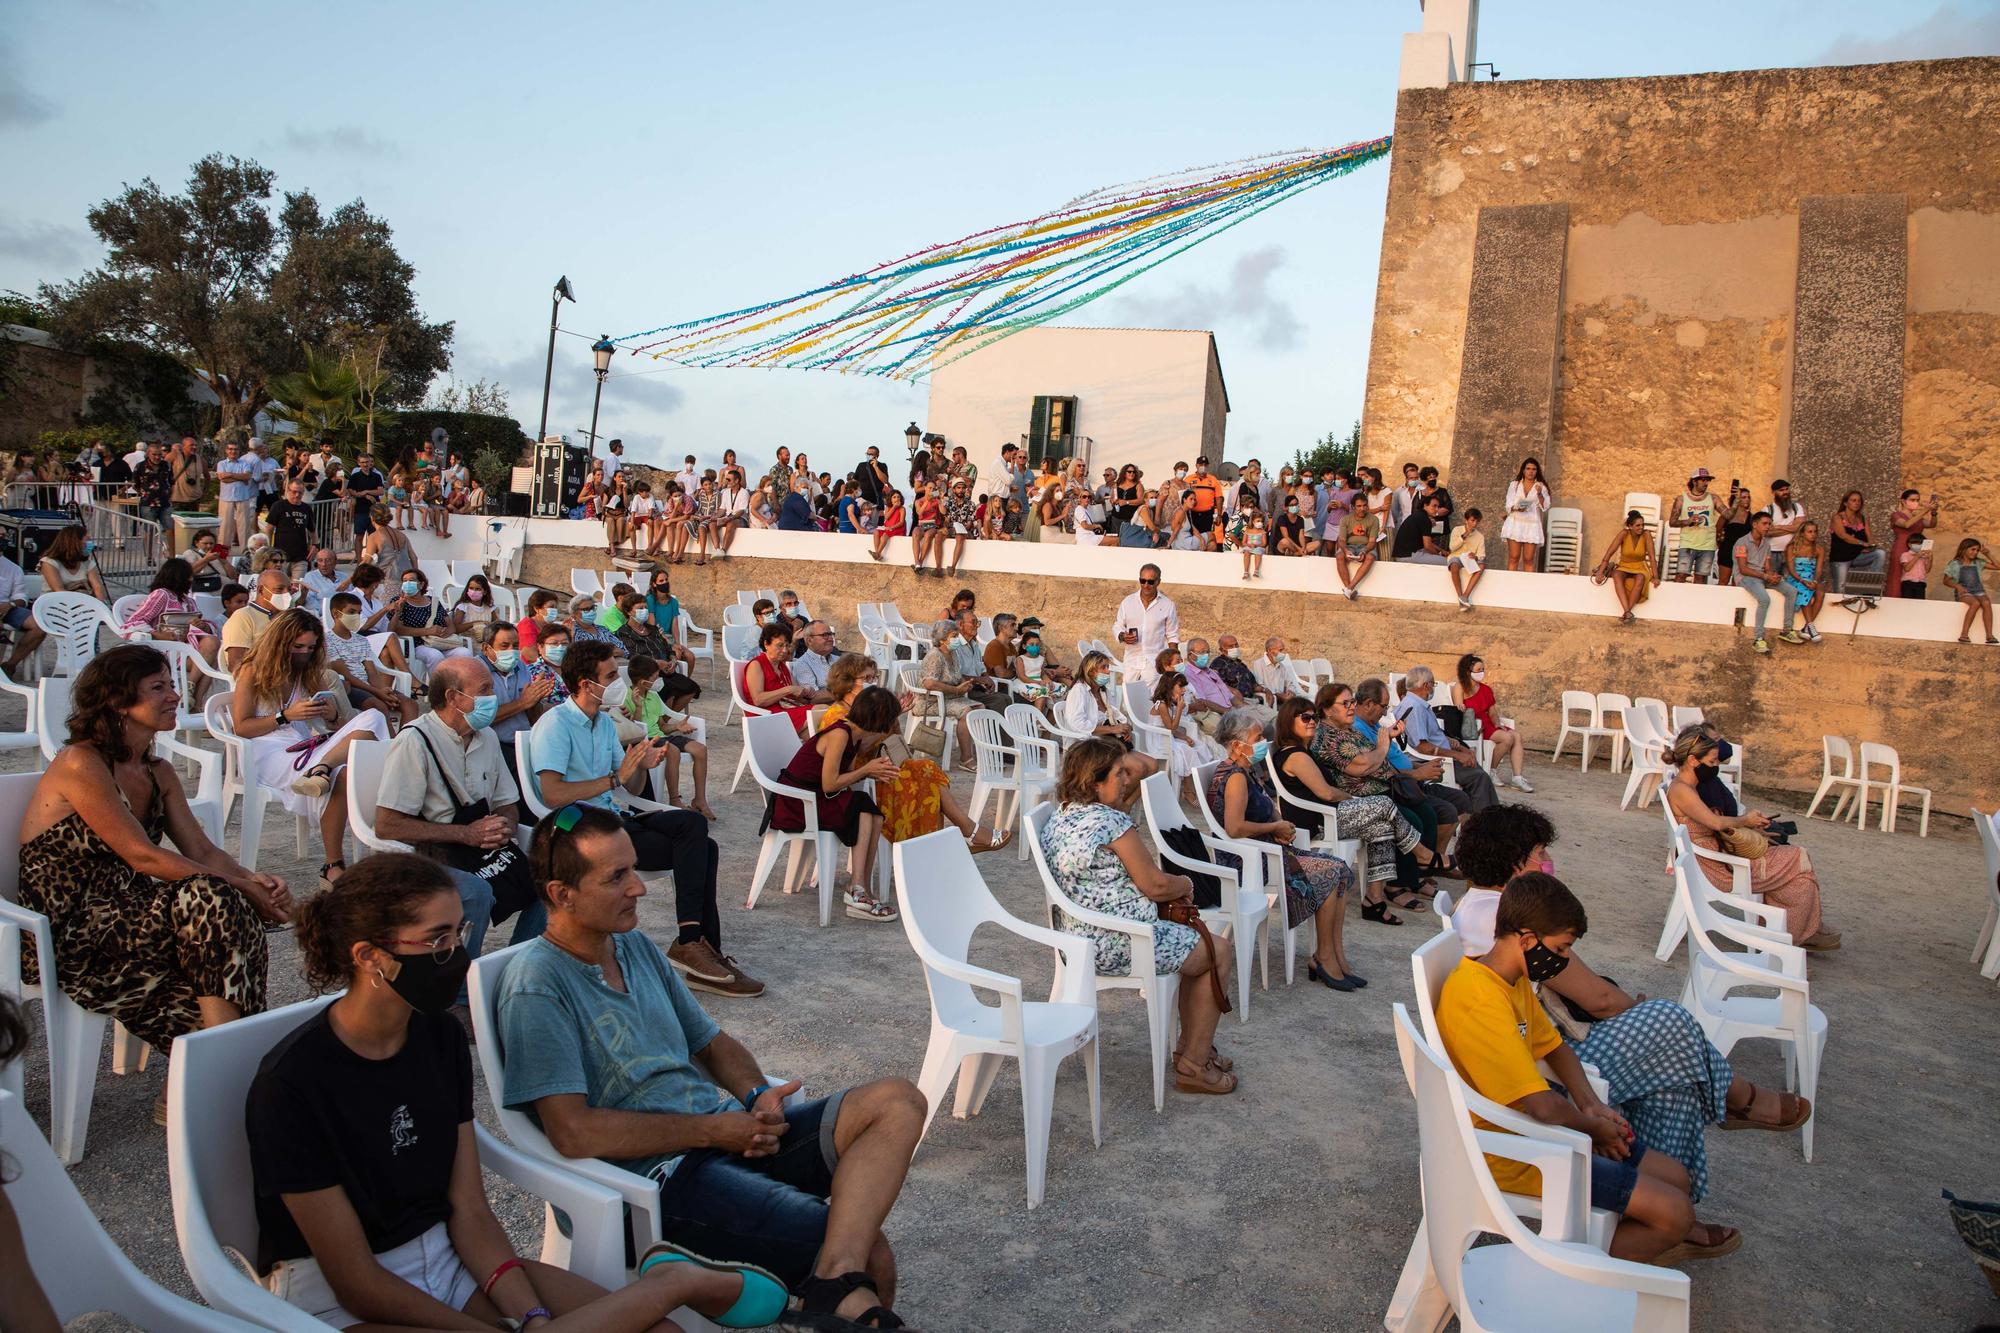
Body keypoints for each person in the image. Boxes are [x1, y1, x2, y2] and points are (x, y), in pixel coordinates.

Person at [249, 855, 775, 1331]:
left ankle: (671, 1286)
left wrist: (530, 1316)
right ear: (369, 957)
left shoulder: (437, 1038)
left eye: (460, 932)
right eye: (438, 940)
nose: (457, 954)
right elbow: (356, 1283)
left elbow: (470, 1211)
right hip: (339, 1300)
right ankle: (674, 1284)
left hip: (449, 1259)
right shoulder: (294, 1083)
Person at [496, 806, 924, 1328]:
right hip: (658, 1181)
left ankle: (829, 1287)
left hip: (724, 1138)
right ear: (562, 895)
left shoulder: (630, 946)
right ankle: (835, 1286)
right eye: (617, 877)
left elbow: (712, 1042)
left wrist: (754, 1098)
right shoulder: (537, 984)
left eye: (633, 869)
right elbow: (571, 1131)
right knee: (869, 1252)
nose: (640, 888)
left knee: (897, 1101)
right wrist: (710, 1132)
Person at [1448, 805, 1809, 1207]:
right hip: (1539, 1073)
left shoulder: (1481, 904)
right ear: (1516, 862)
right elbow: (1597, 999)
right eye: (1540, 853)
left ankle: (1672, 1202)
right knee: (1668, 1022)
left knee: (1672, 1086)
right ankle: (1738, 1098)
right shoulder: (1504, 919)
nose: (1548, 861)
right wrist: (1638, 1014)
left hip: (1542, 1044)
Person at [19, 644, 288, 1123]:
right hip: (72, 930)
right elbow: (141, 854)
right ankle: (217, 1070)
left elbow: (202, 851)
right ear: (120, 701)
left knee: (222, 900)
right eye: (158, 687)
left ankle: (193, 1082)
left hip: (131, 912)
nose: (173, 695)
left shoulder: (158, 770)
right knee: (214, 897)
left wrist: (255, 879)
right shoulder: (83, 763)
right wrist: (239, 888)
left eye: (171, 683)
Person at [1435, 872, 1739, 1266]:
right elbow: (1542, 1107)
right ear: (1527, 940)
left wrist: (1591, 1105)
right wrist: (1593, 1129)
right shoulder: (1480, 1000)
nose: (1562, 961)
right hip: (1514, 1154)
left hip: (1541, 1137)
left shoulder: (1510, 979)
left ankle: (1606, 1250)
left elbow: (1556, 1047)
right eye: (1561, 949)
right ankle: (1572, 1274)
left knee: (1678, 1178)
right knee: (1675, 1214)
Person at [528, 639, 760, 997]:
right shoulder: (556, 724)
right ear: (587, 684)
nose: (617, 681)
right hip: (580, 828)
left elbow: (628, 785)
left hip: (615, 815)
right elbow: (552, 794)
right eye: (609, 675)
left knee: (695, 826)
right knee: (706, 850)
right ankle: (696, 946)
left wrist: (641, 767)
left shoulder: (603, 724)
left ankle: (695, 944)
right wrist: (615, 778)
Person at [1041, 737, 1237, 1093]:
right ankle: (1194, 1065)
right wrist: (1185, 883)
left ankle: (1196, 1048)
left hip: (1079, 936)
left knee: (1199, 949)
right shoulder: (1111, 824)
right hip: (1121, 942)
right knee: (1219, 950)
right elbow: (1156, 886)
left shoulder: (1062, 814)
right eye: (1119, 774)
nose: (1126, 780)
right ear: (1094, 782)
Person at [374, 655, 544, 981]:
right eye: (484, 690)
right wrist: (466, 834)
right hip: (431, 851)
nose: (493, 698)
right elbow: (387, 825)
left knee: (551, 882)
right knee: (475, 892)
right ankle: (462, 989)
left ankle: (515, 970)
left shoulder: (487, 738)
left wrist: (502, 826)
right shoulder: (415, 740)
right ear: (454, 697)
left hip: (478, 846)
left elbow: (507, 802)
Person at [232, 608, 391, 889]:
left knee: (375, 717)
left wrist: (331, 715)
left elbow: (339, 726)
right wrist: (285, 716)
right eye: (298, 647)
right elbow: (241, 727)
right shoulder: (252, 669)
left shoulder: (307, 671)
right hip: (267, 750)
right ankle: (335, 863)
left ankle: (322, 770)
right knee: (342, 771)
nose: (304, 653)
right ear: (280, 642)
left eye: (310, 647)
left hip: (308, 745)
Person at [1206, 709, 1359, 990]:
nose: (1264, 741)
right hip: (1250, 859)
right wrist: (1273, 829)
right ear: (1238, 744)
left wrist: (1278, 824)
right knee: (1332, 871)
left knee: (1338, 870)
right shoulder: (1235, 776)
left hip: (1266, 850)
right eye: (1258, 737)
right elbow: (1235, 828)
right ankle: (1324, 956)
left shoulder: (1246, 770)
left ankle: (1334, 953)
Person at [1664, 725, 1838, 949]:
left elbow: (1715, 819)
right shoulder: (1682, 790)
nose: (1716, 766)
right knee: (1798, 858)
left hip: (1712, 858)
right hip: (1713, 867)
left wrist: (1749, 825)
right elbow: (1715, 822)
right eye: (1712, 762)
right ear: (1693, 761)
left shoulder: (1689, 785)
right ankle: (1787, 944)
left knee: (1799, 879)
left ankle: (1786, 940)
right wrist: (1746, 821)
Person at [1272, 695, 1436, 921]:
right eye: (1305, 717)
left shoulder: (1305, 751)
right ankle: (1423, 854)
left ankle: (1374, 900)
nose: (1312, 722)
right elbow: (1326, 793)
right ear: (1288, 722)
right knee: (1384, 804)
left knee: (1381, 827)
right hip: (1317, 820)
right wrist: (1351, 798)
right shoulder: (1295, 755)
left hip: (1328, 814)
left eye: (1314, 717)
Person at [770, 685, 902, 921]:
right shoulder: (840, 734)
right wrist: (866, 770)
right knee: (862, 805)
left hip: (815, 798)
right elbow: (831, 784)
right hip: (797, 803)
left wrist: (868, 772)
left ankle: (860, 888)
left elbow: (844, 779)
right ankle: (857, 889)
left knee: (874, 813)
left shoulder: (854, 736)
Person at [1348, 677, 1466, 876]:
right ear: (1368, 704)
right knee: (1431, 813)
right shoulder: (1357, 729)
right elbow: (1378, 768)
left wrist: (1422, 766)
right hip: (1396, 786)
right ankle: (1421, 870)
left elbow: (1396, 757)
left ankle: (1431, 864)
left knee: (1457, 801)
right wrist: (1417, 773)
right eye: (1383, 707)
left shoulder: (1375, 725)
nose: (1386, 712)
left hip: (1408, 781)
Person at [1394, 665, 1500, 812]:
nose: (1433, 688)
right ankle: (1485, 822)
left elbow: (1432, 734)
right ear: (1426, 685)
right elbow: (1422, 747)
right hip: (1430, 760)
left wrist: (1460, 748)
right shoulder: (1415, 708)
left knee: (1474, 767)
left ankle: (1486, 817)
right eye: (1433, 684)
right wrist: (1457, 755)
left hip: (1442, 753)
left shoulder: (1415, 704)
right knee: (1479, 778)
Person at [120, 555, 222, 682]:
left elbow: (206, 623)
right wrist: (160, 635)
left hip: (187, 647)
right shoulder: (162, 595)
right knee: (210, 655)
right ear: (179, 578)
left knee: (212, 647)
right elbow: (132, 624)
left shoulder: (188, 601)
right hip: (166, 649)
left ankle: (191, 695)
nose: (191, 580)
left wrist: (203, 625)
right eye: (189, 576)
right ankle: (193, 695)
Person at [324, 591, 414, 724]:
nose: (356, 616)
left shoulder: (362, 640)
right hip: (349, 688)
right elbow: (346, 675)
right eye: (351, 612)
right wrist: (377, 692)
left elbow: (372, 673)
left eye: (359, 612)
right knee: (378, 706)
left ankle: (405, 741)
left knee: (410, 705)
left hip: (370, 688)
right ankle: (389, 743)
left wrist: (382, 689)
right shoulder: (326, 640)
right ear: (336, 613)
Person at [1448, 653, 1533, 792]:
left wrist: (1497, 723)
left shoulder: (1486, 689)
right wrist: (1461, 707)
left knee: (1516, 736)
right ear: (1468, 672)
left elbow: (1492, 712)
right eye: (1478, 670)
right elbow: (1458, 706)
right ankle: (1491, 771)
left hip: (1488, 723)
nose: (1482, 673)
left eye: (1483, 669)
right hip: (1474, 724)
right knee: (1507, 738)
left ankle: (1517, 777)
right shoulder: (1461, 687)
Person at [1111, 563, 1178, 686]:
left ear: (1158, 581)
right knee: (1129, 696)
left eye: (1151, 582)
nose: (1146, 585)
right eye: (1143, 581)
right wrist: (1122, 636)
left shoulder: (1168, 605)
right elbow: (1118, 625)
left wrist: (1173, 661)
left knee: (1151, 698)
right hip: (1132, 658)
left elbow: (1172, 634)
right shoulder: (1128, 602)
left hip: (1154, 661)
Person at [1593, 509, 1659, 626]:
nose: (1641, 528)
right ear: (1630, 526)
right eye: (1638, 525)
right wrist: (1600, 572)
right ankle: (1628, 612)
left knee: (1640, 579)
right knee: (1617, 574)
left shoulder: (1646, 534)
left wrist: (1656, 576)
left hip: (1640, 566)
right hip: (1625, 565)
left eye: (1642, 525)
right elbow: (1609, 554)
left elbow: (1652, 557)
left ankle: (1627, 612)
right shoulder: (1624, 534)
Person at [1730, 511, 1784, 654]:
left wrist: (1773, 575)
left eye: (1769, 524)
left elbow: (1767, 567)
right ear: (1755, 524)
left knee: (1791, 591)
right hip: (1745, 577)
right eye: (1765, 524)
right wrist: (1766, 576)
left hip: (1761, 576)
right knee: (1765, 599)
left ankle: (1788, 630)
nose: (1768, 527)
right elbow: (1742, 569)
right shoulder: (1742, 542)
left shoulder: (1766, 544)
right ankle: (1758, 638)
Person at [222, 565, 294, 671]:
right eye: (279, 589)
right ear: (261, 590)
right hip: (265, 677)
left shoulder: (288, 617)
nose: (286, 594)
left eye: (289, 590)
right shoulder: (243, 617)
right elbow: (236, 663)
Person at [1776, 519, 1828, 645]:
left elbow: (1819, 569)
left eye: (1815, 532)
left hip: (1811, 577)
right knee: (1805, 590)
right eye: (1810, 532)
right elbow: (1791, 569)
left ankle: (1806, 628)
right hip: (1796, 577)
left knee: (1820, 592)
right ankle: (1811, 627)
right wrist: (1802, 581)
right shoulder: (1792, 548)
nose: (1813, 534)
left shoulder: (1819, 549)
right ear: (1802, 533)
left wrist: (1815, 581)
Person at [1828, 489, 1887, 593]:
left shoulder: (1863, 518)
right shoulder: (1837, 517)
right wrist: (1862, 543)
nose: (1857, 503)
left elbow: (1869, 535)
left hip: (1856, 556)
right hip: (1841, 558)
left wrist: (1871, 546)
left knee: (1880, 554)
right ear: (1846, 503)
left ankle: (1871, 587)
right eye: (1853, 500)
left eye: (1859, 501)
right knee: (1840, 589)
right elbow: (1843, 535)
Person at [1667, 469, 1720, 584]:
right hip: (1688, 544)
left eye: (1708, 481)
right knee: (1681, 575)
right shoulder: (1681, 499)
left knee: (1701, 579)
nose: (1706, 483)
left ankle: (1697, 602)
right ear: (1694, 482)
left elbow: (1728, 514)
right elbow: (1672, 522)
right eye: (1703, 480)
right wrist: (1688, 521)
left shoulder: (1713, 498)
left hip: (1707, 545)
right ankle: (1675, 600)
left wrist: (1736, 502)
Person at [1887, 488, 1942, 598]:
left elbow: (1932, 524)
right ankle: (1895, 598)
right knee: (1898, 575)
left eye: (1917, 500)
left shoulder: (1917, 517)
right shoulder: (1896, 515)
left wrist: (1933, 512)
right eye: (1912, 500)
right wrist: (1925, 510)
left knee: (1917, 573)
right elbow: (1907, 524)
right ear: (1903, 501)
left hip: (1917, 548)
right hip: (1902, 547)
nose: (1915, 503)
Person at [1943, 537, 1996, 645]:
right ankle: (1964, 634)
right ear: (1964, 549)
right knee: (1975, 603)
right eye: (1973, 549)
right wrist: (1957, 586)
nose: (1975, 552)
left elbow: (1998, 566)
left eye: (1977, 550)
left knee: (1986, 602)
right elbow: (1946, 581)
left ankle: (1989, 635)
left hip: (1978, 590)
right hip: (1964, 591)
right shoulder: (1955, 564)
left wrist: (1988, 554)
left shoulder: (1978, 562)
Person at [1501, 457, 1550, 571]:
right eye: (1528, 468)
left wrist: (1539, 494)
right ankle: (1511, 584)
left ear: (1537, 471)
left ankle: (1528, 587)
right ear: (1523, 470)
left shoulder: (1541, 486)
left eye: (1534, 469)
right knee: (1514, 557)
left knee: (1528, 559)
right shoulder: (1515, 485)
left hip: (1531, 524)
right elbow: (1509, 504)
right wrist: (1518, 508)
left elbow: (1545, 506)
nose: (1531, 471)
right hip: (1515, 522)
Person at [38, 524, 108, 602]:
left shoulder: (88, 564)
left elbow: (97, 586)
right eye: (87, 540)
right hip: (55, 603)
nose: (90, 544)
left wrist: (100, 603)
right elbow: (58, 590)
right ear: (75, 541)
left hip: (84, 604)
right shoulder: (49, 562)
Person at [0, 549, 45, 671]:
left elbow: (21, 597)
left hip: (7, 608)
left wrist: (11, 605)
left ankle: (10, 665)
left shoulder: (13, 569)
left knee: (39, 625)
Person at [264, 479, 316, 575]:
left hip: (300, 556)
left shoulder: (306, 508)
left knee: (297, 586)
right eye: (294, 491)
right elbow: (269, 528)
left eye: (300, 492)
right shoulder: (278, 506)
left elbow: (312, 530)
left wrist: (315, 545)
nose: (297, 495)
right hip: (281, 557)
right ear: (288, 490)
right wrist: (269, 549)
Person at [215, 438, 259, 549]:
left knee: (244, 525)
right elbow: (223, 479)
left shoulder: (245, 463)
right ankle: (223, 550)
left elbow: (247, 477)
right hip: (226, 498)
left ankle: (245, 550)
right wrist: (239, 477)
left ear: (239, 451)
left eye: (235, 449)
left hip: (243, 497)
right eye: (230, 449)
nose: (233, 451)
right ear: (226, 450)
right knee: (225, 525)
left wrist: (229, 475)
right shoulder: (221, 463)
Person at [1446, 507, 1487, 610]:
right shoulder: (1457, 530)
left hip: (1469, 559)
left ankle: (1465, 596)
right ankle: (1460, 596)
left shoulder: (1480, 536)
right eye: (1472, 520)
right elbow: (1452, 547)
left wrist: (1475, 556)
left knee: (1481, 566)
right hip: (1456, 556)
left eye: (1477, 521)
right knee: (1454, 566)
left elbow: (1482, 555)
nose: (1475, 524)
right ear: (1466, 520)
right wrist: (1463, 536)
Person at [1392, 494, 1451, 565]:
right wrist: (1438, 555)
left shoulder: (1419, 515)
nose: (1437, 509)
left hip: (1402, 554)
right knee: (1448, 562)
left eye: (1438, 507)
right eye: (1434, 506)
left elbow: (1427, 543)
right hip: (1409, 555)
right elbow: (1427, 546)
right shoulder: (1425, 519)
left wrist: (1441, 550)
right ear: (1425, 505)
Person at [1334, 511, 1379, 600]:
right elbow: (1341, 540)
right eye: (1359, 506)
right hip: (1349, 546)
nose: (1362, 508)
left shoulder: (1374, 519)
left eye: (1364, 505)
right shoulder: (1345, 519)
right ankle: (1349, 590)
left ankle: (1349, 588)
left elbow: (1372, 542)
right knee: (1339, 556)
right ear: (1353, 507)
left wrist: (1364, 551)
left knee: (1370, 557)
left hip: (1366, 546)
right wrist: (1346, 551)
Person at [1759, 478, 1805, 558]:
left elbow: (1800, 527)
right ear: (1773, 493)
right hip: (1771, 552)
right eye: (1781, 490)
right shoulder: (1767, 510)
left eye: (1787, 489)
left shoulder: (1796, 507)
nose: (1785, 492)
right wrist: (1792, 529)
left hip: (1792, 551)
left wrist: (1778, 527)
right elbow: (1766, 532)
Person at [169, 434, 208, 509]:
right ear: (183, 446)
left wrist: (204, 492)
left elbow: (207, 477)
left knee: (192, 520)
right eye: (191, 445)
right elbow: (162, 470)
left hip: (194, 499)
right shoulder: (174, 456)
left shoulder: (200, 460)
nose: (194, 447)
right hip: (177, 499)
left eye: (196, 445)